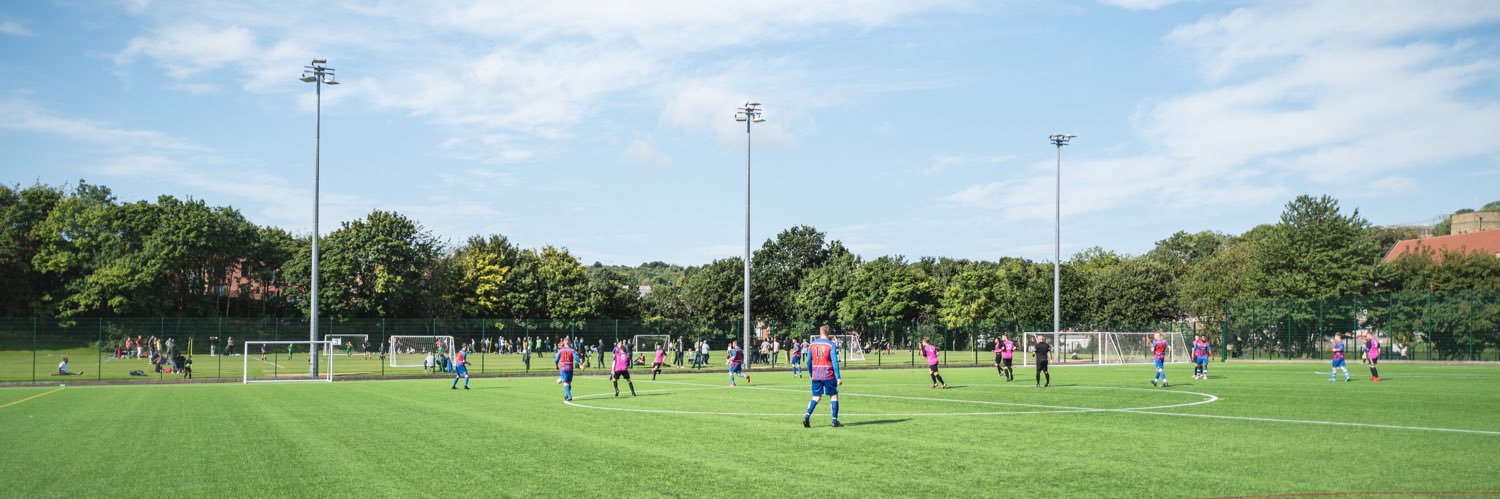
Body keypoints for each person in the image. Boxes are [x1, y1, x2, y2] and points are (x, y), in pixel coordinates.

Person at [802, 325, 843, 428]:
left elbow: (808, 361)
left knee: (816, 397)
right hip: (828, 375)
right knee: (833, 396)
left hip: (816, 375)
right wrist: (838, 377)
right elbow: (834, 362)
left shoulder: (812, 345)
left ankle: (806, 416)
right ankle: (834, 421)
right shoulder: (831, 345)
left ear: (820, 332)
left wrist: (811, 374)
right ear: (828, 332)